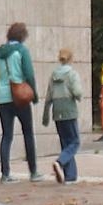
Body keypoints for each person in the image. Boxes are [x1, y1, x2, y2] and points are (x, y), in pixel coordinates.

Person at [0, 22, 38, 181]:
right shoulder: (22, 51)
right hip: (20, 96)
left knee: (7, 135)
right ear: (22, 36)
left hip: (2, 96)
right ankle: (33, 172)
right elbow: (29, 74)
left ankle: (5, 174)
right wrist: (34, 94)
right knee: (28, 133)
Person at [41, 47, 85, 183]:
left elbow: (48, 96)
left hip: (57, 111)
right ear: (71, 59)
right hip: (69, 110)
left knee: (65, 143)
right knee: (75, 142)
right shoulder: (72, 74)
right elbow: (77, 92)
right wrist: (78, 96)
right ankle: (60, 162)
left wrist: (46, 114)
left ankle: (70, 176)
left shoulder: (53, 75)